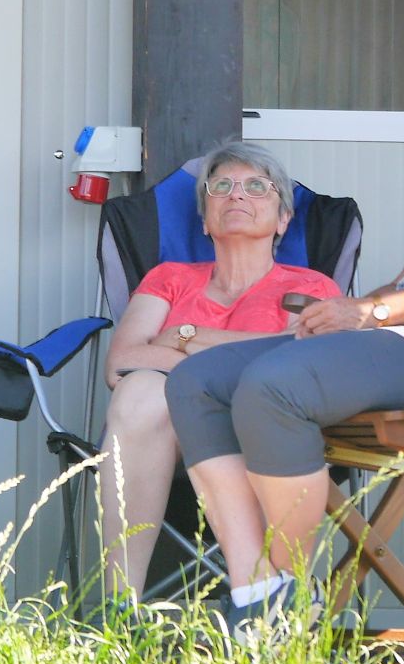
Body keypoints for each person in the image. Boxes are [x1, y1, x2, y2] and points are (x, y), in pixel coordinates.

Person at [166, 2, 404, 638]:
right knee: (198, 380)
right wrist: (346, 314)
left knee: (277, 384)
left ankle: (287, 600)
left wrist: (373, 311)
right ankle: (257, 593)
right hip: (403, 339)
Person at [96, 142, 340, 604]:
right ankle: (119, 608)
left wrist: (185, 336)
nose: (237, 195)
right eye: (221, 187)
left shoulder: (310, 286)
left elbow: (303, 363)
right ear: (206, 220)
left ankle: (265, 601)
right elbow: (123, 361)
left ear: (283, 219)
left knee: (186, 389)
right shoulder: (169, 278)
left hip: (264, 428)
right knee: (139, 391)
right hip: (165, 434)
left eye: (257, 187)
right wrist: (237, 360)